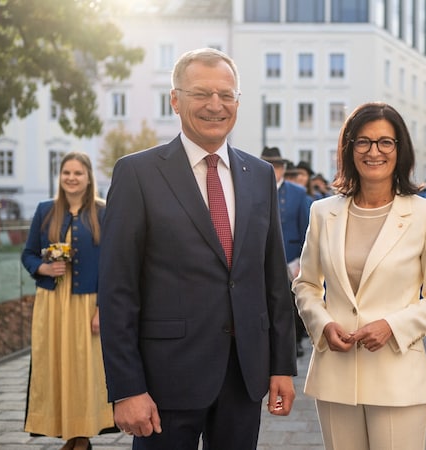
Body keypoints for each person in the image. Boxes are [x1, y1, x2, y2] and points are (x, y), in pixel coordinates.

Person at [97, 48, 297, 450]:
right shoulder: (137, 173)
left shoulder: (258, 175)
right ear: (175, 99)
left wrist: (281, 366)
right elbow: (118, 290)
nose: (215, 105)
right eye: (201, 93)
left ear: (238, 102)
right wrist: (126, 388)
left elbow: (272, 278)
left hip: (244, 377)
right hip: (163, 382)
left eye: (226, 95)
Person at [292, 101, 426, 450]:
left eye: (386, 142)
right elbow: (306, 284)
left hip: (397, 374)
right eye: (363, 142)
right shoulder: (323, 212)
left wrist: (393, 326)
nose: (374, 151)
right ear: (349, 148)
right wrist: (321, 324)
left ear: (401, 150)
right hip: (335, 372)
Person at [21, 152, 114, 450]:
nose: (72, 178)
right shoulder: (45, 210)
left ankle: (82, 434)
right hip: (52, 302)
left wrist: (103, 307)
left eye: (78, 173)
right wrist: (43, 267)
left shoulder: (103, 212)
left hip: (88, 303)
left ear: (89, 178)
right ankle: (69, 434)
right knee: (57, 367)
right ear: (60, 177)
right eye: (66, 173)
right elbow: (28, 255)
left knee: (85, 370)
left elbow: (113, 264)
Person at [261, 147, 313, 357]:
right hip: (262, 256)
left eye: (276, 166)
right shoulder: (253, 186)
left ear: (282, 168)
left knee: (290, 302)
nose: (273, 170)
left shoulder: (297, 192)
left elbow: (306, 228)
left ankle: (294, 341)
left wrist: (302, 258)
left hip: (290, 256)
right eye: (269, 165)